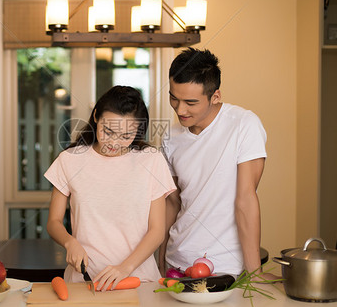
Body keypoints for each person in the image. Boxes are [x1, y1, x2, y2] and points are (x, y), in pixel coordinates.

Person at [159, 48, 276, 280]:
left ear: (215, 96)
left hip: (224, 266)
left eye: (190, 102)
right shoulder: (170, 136)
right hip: (177, 262)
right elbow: (172, 202)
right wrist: (161, 261)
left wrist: (254, 274)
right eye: (174, 98)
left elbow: (245, 200)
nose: (180, 110)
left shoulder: (244, 125)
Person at [45, 85, 176, 291]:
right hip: (84, 281)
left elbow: (157, 230)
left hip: (139, 281)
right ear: (96, 116)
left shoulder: (151, 160)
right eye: (108, 131)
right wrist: (69, 242)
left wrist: (125, 268)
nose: (114, 142)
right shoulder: (69, 160)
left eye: (126, 136)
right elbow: (53, 222)